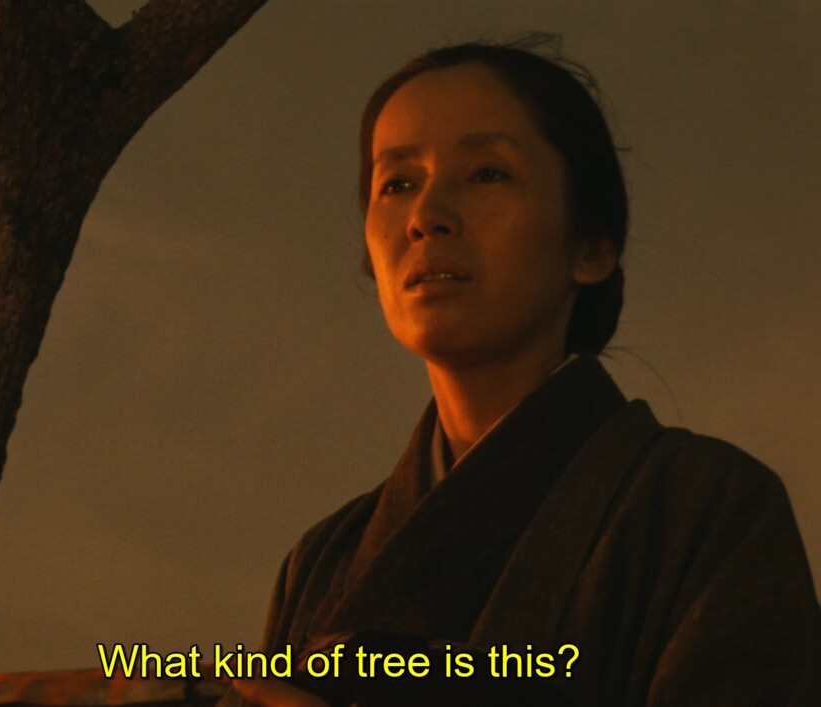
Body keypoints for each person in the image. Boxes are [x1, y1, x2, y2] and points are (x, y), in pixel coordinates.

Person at [223, 39, 821, 706]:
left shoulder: (704, 508)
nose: (425, 217)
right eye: (397, 184)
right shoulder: (322, 561)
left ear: (591, 246)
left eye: (486, 174)